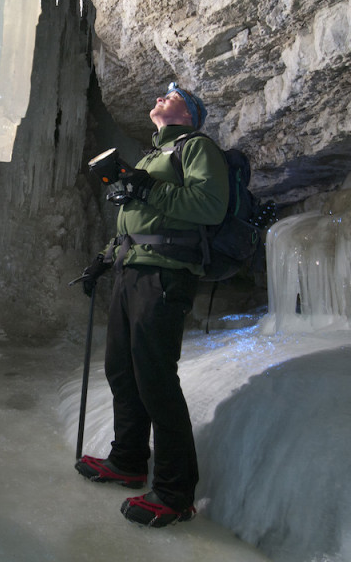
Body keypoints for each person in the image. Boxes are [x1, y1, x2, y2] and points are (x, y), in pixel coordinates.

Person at [75, 81, 228, 527]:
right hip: (131, 270)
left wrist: (146, 190)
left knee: (155, 378)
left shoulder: (196, 148)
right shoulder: (148, 158)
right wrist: (102, 261)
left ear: (190, 113)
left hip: (164, 274)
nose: (163, 94)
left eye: (174, 93)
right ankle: (127, 460)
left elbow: (210, 204)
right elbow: (133, 222)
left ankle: (176, 492)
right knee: (122, 371)